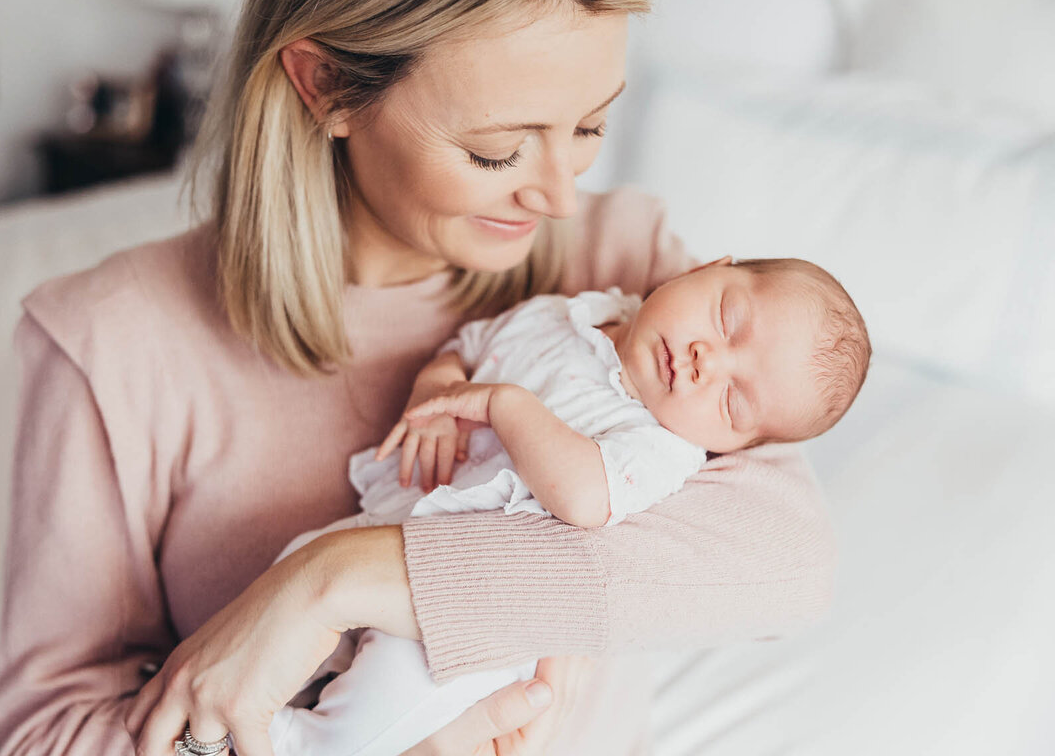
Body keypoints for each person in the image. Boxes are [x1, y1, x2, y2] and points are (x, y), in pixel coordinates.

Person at [0, 0, 838, 755]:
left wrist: (336, 577)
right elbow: (45, 736)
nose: (559, 194)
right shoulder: (111, 342)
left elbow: (792, 564)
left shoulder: (629, 273)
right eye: (496, 150)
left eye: (589, 125)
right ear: (326, 87)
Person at [263, 257, 869, 755]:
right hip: (385, 531)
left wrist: (505, 405)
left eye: (733, 402)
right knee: (291, 570)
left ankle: (297, 744)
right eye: (727, 319)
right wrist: (438, 389)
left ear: (730, 446)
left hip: (472, 623)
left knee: (401, 690)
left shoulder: (660, 448)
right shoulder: (566, 313)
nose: (706, 362)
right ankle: (249, 700)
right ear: (707, 267)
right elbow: (467, 346)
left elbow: (582, 497)